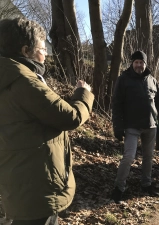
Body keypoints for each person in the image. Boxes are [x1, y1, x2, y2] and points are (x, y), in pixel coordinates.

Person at [0, 18, 94, 224]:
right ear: (26, 51)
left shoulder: (7, 77)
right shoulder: (23, 80)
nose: (46, 55)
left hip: (17, 183)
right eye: (43, 49)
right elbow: (71, 117)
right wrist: (83, 93)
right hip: (37, 188)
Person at [111, 50, 159, 203]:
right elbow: (117, 105)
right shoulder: (123, 79)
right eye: (136, 62)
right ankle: (118, 188)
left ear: (145, 64)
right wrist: (118, 126)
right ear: (132, 63)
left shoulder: (152, 80)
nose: (139, 65)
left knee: (148, 157)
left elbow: (158, 104)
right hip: (131, 126)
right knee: (128, 157)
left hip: (151, 126)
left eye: (141, 62)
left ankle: (146, 184)